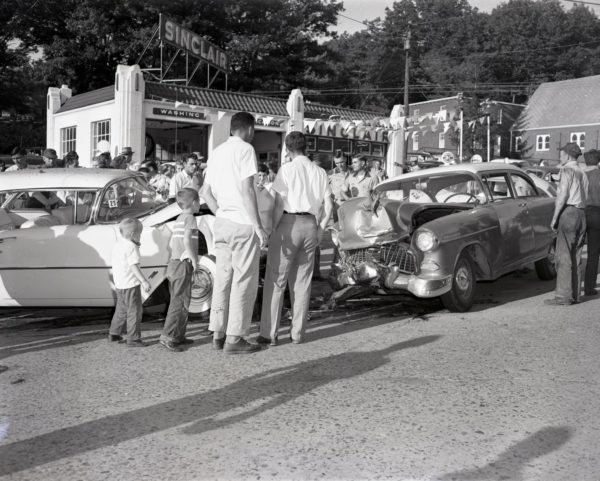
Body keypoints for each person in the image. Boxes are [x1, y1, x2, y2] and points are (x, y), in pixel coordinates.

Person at [256, 131, 333, 346]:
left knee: (276, 280)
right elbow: (328, 206)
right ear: (305, 147)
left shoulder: (287, 169)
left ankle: (269, 334)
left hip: (288, 224)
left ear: (288, 150)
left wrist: (270, 230)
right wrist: (320, 229)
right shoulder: (320, 172)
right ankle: (298, 333)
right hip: (310, 225)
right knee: (302, 282)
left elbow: (279, 204)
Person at [201, 111, 267, 354]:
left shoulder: (216, 152)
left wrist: (221, 212)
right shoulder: (246, 150)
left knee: (223, 278)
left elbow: (205, 192)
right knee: (243, 281)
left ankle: (217, 332)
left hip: (222, 222)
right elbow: (248, 189)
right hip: (242, 222)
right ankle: (235, 337)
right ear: (249, 129)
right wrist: (258, 225)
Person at [545, 142, 589, 306]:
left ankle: (563, 296)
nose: (560, 156)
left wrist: (555, 217)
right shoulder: (582, 172)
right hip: (582, 213)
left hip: (569, 212)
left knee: (562, 255)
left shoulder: (567, 170)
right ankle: (575, 295)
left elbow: (562, 195)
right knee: (576, 255)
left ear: (569, 155)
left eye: (562, 153)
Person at [159, 188, 200, 352]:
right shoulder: (190, 218)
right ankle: (168, 336)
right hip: (183, 263)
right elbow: (187, 240)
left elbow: (172, 243)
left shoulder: (179, 218)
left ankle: (178, 335)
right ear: (195, 203)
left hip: (175, 263)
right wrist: (194, 259)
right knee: (179, 301)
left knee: (182, 300)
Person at [108, 218, 151, 347]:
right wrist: (143, 281)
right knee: (135, 311)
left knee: (121, 309)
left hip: (120, 284)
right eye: (139, 234)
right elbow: (134, 266)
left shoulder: (118, 243)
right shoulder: (131, 246)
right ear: (133, 235)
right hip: (130, 285)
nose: (140, 237)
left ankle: (114, 333)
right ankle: (133, 339)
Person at [583, 149, 600, 295]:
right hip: (598, 214)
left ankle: (576, 286)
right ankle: (590, 286)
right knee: (594, 252)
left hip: (581, 213)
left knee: (576, 251)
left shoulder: (579, 175)